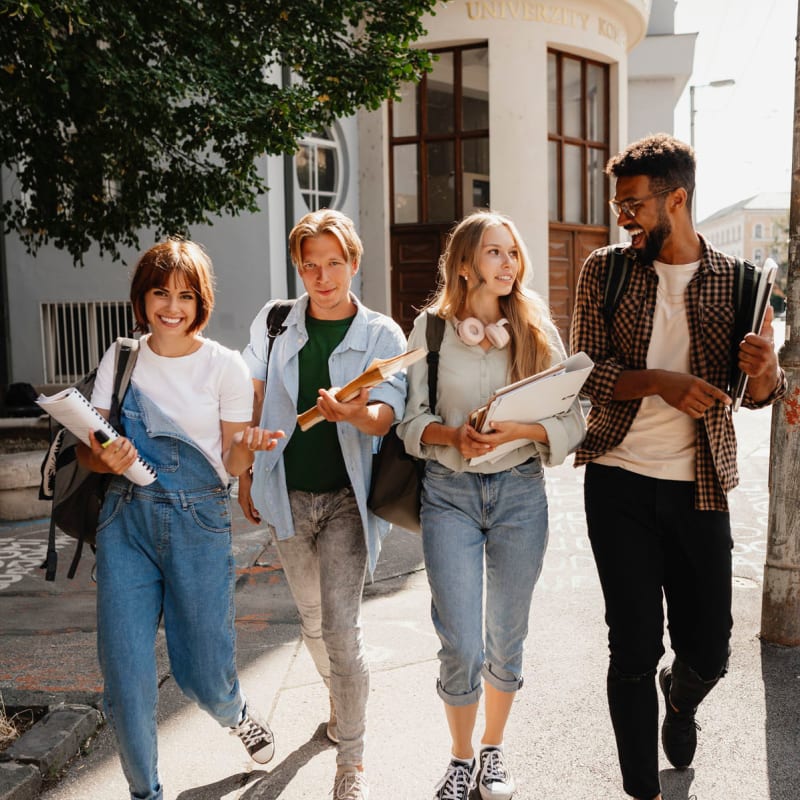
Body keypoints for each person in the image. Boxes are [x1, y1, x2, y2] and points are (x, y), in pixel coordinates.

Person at [569, 134, 786, 800]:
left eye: (633, 203)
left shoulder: (741, 282)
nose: (622, 216)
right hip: (619, 482)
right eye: (618, 204)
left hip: (702, 488)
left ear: (678, 199)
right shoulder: (605, 271)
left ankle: (683, 697)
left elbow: (756, 397)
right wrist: (659, 380)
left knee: (712, 648)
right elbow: (583, 376)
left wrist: (769, 370)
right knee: (630, 649)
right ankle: (643, 790)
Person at [78, 239, 283, 800]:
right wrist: (104, 455)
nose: (172, 306)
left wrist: (250, 447)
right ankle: (146, 793)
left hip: (199, 523)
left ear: (201, 302)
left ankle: (234, 710)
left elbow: (233, 459)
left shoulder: (225, 367)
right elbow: (86, 449)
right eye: (160, 292)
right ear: (142, 298)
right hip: (126, 523)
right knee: (126, 676)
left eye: (186, 295)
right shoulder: (120, 359)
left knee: (202, 675)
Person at [397, 211, 586, 800]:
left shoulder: (535, 330)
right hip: (448, 496)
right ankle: (459, 758)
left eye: (513, 253)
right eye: (495, 253)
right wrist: (452, 436)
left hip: (520, 494)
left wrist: (515, 433)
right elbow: (409, 422)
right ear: (466, 263)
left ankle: (493, 752)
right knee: (460, 641)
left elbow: (573, 420)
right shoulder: (430, 330)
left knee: (507, 636)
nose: (509, 264)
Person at [238, 209, 407, 800]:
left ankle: (351, 762)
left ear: (354, 263)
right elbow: (254, 395)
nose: (323, 275)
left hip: (347, 502)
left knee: (341, 628)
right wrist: (247, 474)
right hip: (285, 492)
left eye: (334, 263)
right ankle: (340, 703)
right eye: (310, 265)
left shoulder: (382, 334)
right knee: (310, 620)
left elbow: (388, 413)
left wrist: (351, 413)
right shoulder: (276, 321)